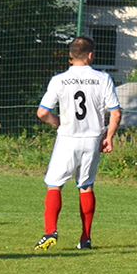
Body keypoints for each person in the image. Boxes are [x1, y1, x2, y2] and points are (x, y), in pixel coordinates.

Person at [34, 36, 121, 250]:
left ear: (70, 56)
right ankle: (85, 238)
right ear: (90, 55)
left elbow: (42, 112)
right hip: (92, 139)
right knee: (86, 186)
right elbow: (116, 113)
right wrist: (108, 137)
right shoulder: (103, 78)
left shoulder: (59, 79)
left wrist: (55, 121)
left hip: (67, 138)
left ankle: (50, 231)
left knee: (55, 184)